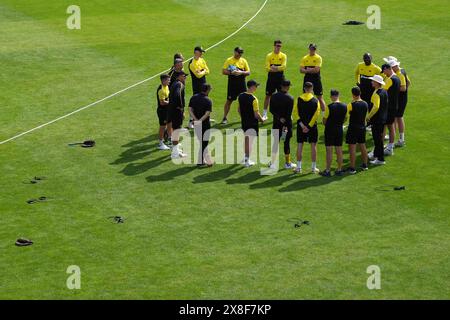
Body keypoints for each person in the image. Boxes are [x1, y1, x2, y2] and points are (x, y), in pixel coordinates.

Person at [294, 82, 321, 174]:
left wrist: (301, 125)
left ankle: (298, 167)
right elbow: (316, 114)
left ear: (304, 88)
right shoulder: (315, 100)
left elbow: (295, 112)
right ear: (312, 89)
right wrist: (309, 126)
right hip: (312, 127)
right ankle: (313, 168)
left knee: (300, 145)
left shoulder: (298, 99)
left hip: (301, 127)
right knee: (313, 146)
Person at [269, 79, 295, 169]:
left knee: (275, 142)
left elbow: (271, 110)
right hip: (286, 125)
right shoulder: (290, 98)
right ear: (287, 87)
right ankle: (288, 163)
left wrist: (279, 118)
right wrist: (284, 120)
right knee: (286, 142)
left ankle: (272, 163)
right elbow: (288, 114)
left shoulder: (273, 96)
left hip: (276, 123)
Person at [320, 89, 347, 177]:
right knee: (339, 150)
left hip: (329, 130)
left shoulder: (329, 107)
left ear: (331, 96)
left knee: (329, 151)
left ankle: (327, 170)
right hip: (339, 129)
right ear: (338, 95)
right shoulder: (344, 106)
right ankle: (339, 169)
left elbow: (324, 121)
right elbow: (345, 118)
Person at [238, 80, 264, 167]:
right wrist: (262, 120)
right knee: (250, 142)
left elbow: (239, 109)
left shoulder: (241, 96)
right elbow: (256, 114)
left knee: (246, 140)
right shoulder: (254, 99)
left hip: (244, 122)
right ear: (252, 87)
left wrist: (243, 117)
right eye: (256, 86)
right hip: (252, 123)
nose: (256, 88)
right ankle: (247, 161)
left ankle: (245, 158)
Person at [221, 47, 251, 124]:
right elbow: (223, 71)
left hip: (242, 84)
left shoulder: (243, 61)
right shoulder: (229, 60)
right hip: (232, 84)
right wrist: (231, 73)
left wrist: (241, 72)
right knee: (229, 101)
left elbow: (248, 72)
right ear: (234, 52)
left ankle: (243, 118)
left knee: (243, 101)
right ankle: (224, 118)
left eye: (241, 53)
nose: (240, 54)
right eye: (239, 52)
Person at [385, 57, 410, 147]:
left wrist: (394, 90)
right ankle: (397, 137)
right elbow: (409, 83)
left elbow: (403, 88)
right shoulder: (402, 70)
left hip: (400, 99)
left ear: (395, 66)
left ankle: (400, 139)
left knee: (398, 117)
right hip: (401, 98)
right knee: (396, 118)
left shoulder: (399, 74)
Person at [345, 86, 369, 174]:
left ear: (352, 94)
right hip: (362, 127)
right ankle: (365, 165)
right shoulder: (365, 103)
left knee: (352, 148)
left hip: (353, 128)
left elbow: (346, 116)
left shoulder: (351, 105)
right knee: (362, 146)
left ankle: (352, 168)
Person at [189, 83, 213, 167]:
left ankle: (207, 160)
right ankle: (201, 161)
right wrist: (200, 121)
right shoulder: (208, 100)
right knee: (204, 142)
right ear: (207, 90)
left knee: (202, 142)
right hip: (205, 124)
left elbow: (190, 109)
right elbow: (207, 113)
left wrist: (195, 120)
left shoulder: (194, 97)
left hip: (196, 124)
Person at [367, 75, 389, 165]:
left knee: (377, 139)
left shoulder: (376, 94)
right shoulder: (384, 91)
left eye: (373, 81)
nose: (372, 82)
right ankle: (376, 154)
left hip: (377, 119)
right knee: (378, 138)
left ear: (377, 83)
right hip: (383, 118)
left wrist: (369, 116)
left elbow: (376, 106)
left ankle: (380, 159)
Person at [263, 40, 287, 120]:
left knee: (283, 96)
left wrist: (274, 67)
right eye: (277, 45)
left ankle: (285, 113)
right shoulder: (269, 55)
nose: (278, 47)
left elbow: (283, 67)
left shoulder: (283, 56)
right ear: (274, 46)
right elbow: (267, 68)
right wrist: (277, 69)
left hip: (280, 79)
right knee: (268, 95)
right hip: (271, 78)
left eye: (280, 46)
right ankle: (265, 113)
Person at [381, 63, 401, 156]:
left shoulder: (390, 80)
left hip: (389, 107)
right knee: (391, 126)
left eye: (384, 71)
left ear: (387, 69)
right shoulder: (397, 78)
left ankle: (388, 148)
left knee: (389, 126)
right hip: (394, 105)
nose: (384, 73)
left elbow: (382, 92)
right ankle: (390, 146)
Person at [188, 46, 210, 129]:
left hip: (204, 84)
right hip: (197, 86)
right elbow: (198, 75)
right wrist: (203, 71)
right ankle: (191, 121)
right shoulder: (192, 63)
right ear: (196, 52)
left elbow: (208, 71)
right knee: (195, 104)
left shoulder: (202, 60)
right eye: (200, 52)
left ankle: (204, 118)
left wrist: (202, 71)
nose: (202, 53)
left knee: (204, 102)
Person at [300, 43, 326, 112]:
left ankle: (324, 115)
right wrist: (311, 70)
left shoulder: (318, 58)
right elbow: (301, 70)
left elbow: (317, 70)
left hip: (316, 79)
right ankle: (306, 112)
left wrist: (307, 70)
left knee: (320, 97)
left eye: (314, 49)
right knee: (306, 96)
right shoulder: (305, 58)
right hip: (307, 79)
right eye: (311, 48)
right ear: (309, 49)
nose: (312, 50)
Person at [168, 71, 188, 159]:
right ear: (179, 76)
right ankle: (175, 153)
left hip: (172, 110)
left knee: (176, 130)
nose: (185, 78)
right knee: (177, 130)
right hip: (176, 111)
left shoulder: (174, 84)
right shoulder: (179, 85)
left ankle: (176, 150)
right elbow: (177, 96)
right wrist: (180, 107)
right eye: (184, 76)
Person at [156, 74, 171, 150]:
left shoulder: (166, 86)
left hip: (167, 110)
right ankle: (160, 143)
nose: (169, 81)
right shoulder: (161, 90)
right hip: (162, 111)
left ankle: (169, 139)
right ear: (163, 81)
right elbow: (162, 102)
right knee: (162, 127)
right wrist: (171, 102)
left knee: (169, 124)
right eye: (168, 80)